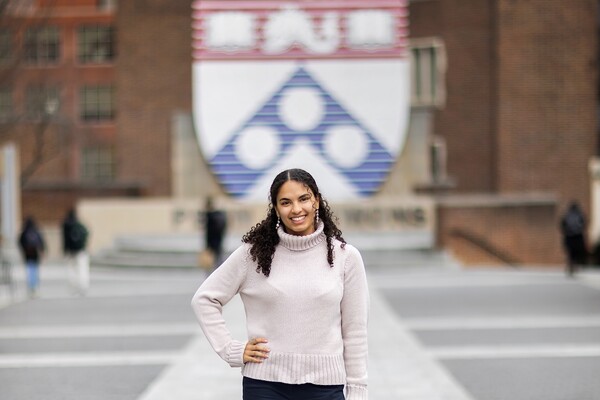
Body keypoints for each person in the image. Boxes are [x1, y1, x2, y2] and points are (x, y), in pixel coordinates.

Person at [191, 169, 369, 400]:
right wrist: (231, 350)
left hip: (325, 388)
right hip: (265, 386)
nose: (296, 209)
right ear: (275, 208)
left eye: (303, 199)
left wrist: (358, 392)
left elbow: (355, 331)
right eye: (286, 202)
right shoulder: (252, 255)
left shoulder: (346, 257)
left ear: (316, 200)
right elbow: (204, 299)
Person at [62, 208, 90, 295]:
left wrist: (65, 250)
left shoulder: (65, 225)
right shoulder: (80, 225)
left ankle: (73, 286)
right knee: (82, 269)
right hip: (81, 250)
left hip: (70, 251)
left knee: (71, 269)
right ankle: (83, 285)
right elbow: (87, 233)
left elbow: (64, 239)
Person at [18, 217, 45, 297]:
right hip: (35, 254)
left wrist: (23, 251)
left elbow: (20, 243)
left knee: (30, 270)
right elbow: (41, 242)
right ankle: (35, 287)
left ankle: (31, 286)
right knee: (35, 270)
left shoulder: (24, 232)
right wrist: (43, 251)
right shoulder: (36, 231)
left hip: (27, 255)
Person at [560, 201, 588, 276]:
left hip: (569, 236)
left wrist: (567, 232)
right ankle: (574, 265)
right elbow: (584, 224)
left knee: (570, 253)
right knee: (576, 253)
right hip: (577, 236)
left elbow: (562, 225)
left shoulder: (567, 215)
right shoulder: (580, 215)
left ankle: (571, 265)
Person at [202, 196, 227, 269]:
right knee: (218, 260)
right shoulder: (219, 215)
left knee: (216, 260)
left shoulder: (210, 216)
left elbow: (209, 232)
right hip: (218, 241)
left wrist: (208, 244)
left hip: (213, 241)